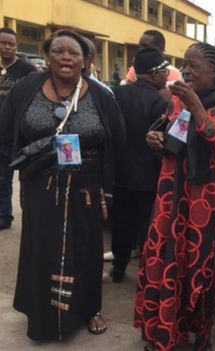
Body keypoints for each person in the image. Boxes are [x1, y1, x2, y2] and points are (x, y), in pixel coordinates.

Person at [0, 29, 125, 340]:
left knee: (86, 249)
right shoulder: (26, 88)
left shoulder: (101, 95)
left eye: (74, 53)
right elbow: (6, 132)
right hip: (40, 185)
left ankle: (90, 309)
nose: (66, 57)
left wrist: (106, 189)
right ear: (47, 56)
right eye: (59, 51)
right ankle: (42, 315)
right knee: (41, 248)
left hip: (86, 187)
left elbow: (118, 141)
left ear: (85, 61)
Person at [135, 43, 215, 351]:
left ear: (214, 71)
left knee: (199, 268)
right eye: (185, 64)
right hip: (170, 199)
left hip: (204, 206)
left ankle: (201, 338)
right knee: (165, 261)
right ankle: (164, 335)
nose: (187, 71)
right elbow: (173, 143)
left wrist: (196, 106)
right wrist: (157, 141)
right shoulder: (174, 105)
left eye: (194, 65)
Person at [108, 47, 169, 282]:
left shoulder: (116, 94)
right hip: (148, 177)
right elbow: (161, 140)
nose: (166, 77)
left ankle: (119, 268)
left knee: (121, 225)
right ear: (154, 74)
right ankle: (146, 275)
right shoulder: (159, 101)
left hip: (119, 175)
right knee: (146, 228)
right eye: (164, 71)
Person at [0, 27, 37, 230]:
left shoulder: (28, 70)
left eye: (11, 44)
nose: (7, 47)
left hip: (19, 133)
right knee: (2, 178)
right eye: (3, 43)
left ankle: (32, 219)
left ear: (16, 46)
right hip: (0, 133)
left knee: (27, 178)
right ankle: (4, 216)